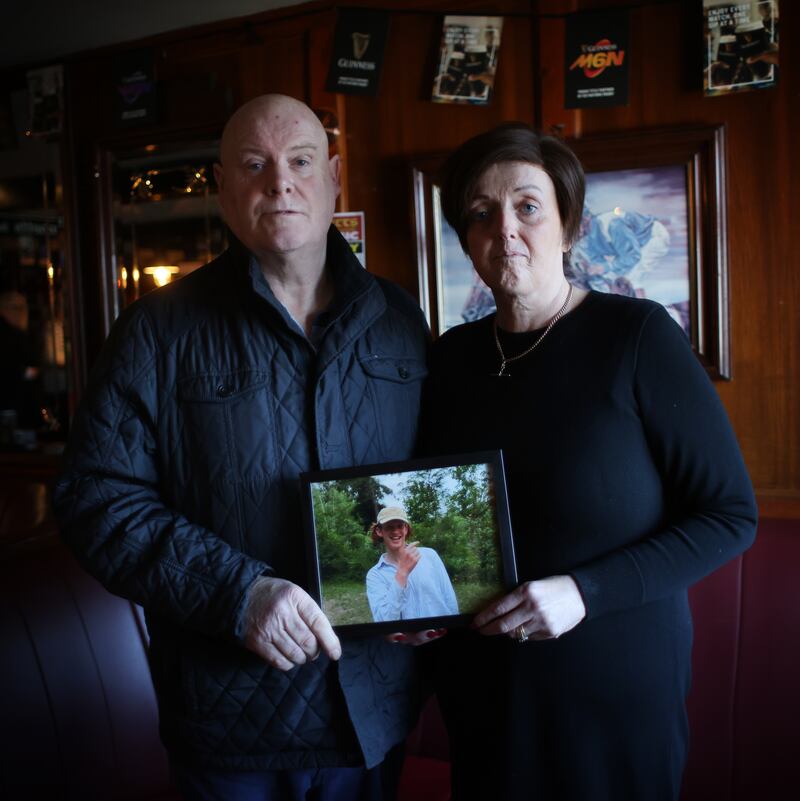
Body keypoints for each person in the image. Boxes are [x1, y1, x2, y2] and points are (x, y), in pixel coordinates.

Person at [53, 94, 434, 801]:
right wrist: (241, 591)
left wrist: (439, 597)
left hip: (374, 709)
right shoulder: (157, 330)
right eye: (254, 165)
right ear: (223, 186)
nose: (279, 183)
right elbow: (95, 500)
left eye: (299, 161)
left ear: (334, 177)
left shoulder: (400, 317)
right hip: (231, 723)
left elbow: (435, 475)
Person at [419, 123, 758, 801]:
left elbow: (730, 515)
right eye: (479, 214)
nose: (504, 229)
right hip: (486, 694)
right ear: (464, 238)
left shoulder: (637, 336)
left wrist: (583, 591)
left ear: (569, 225)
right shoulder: (449, 359)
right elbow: (441, 504)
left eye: (527, 206)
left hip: (614, 690)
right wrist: (418, 595)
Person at [366, 506, 459, 622]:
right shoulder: (375, 575)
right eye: (389, 527)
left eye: (399, 526)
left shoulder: (430, 555)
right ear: (380, 531)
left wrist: (456, 628)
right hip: (410, 640)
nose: (395, 531)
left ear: (405, 529)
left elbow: (449, 597)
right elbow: (385, 621)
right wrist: (402, 573)